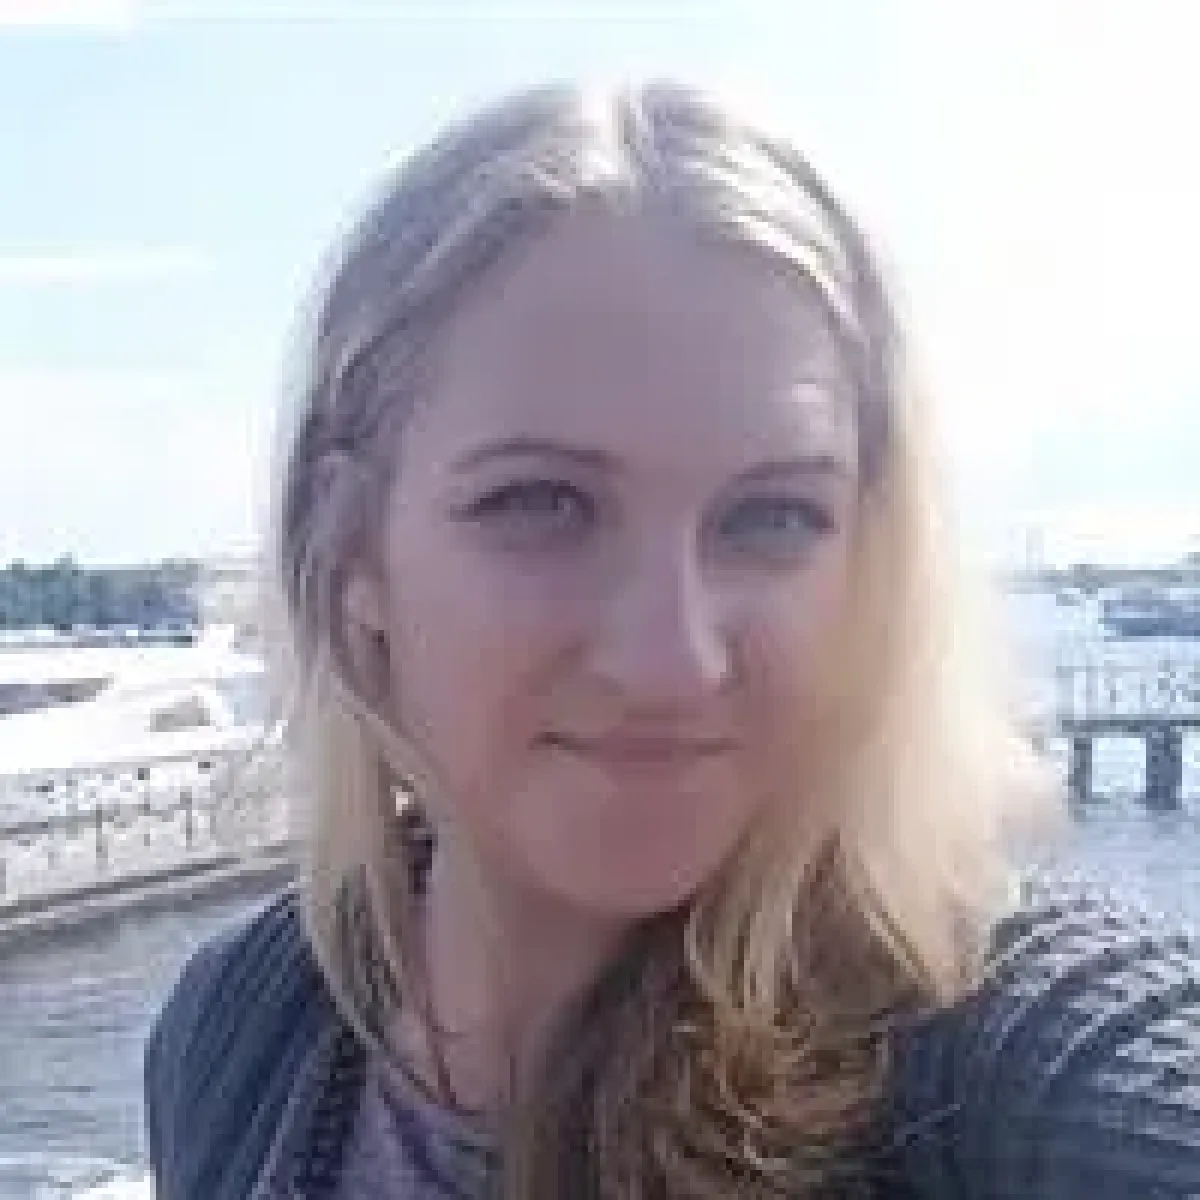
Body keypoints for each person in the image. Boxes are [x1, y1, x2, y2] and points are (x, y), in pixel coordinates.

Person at [144, 81, 1200, 1199]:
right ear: (352, 545)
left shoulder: (999, 1054)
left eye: (771, 517)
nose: (671, 661)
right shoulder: (242, 1029)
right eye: (542, 503)